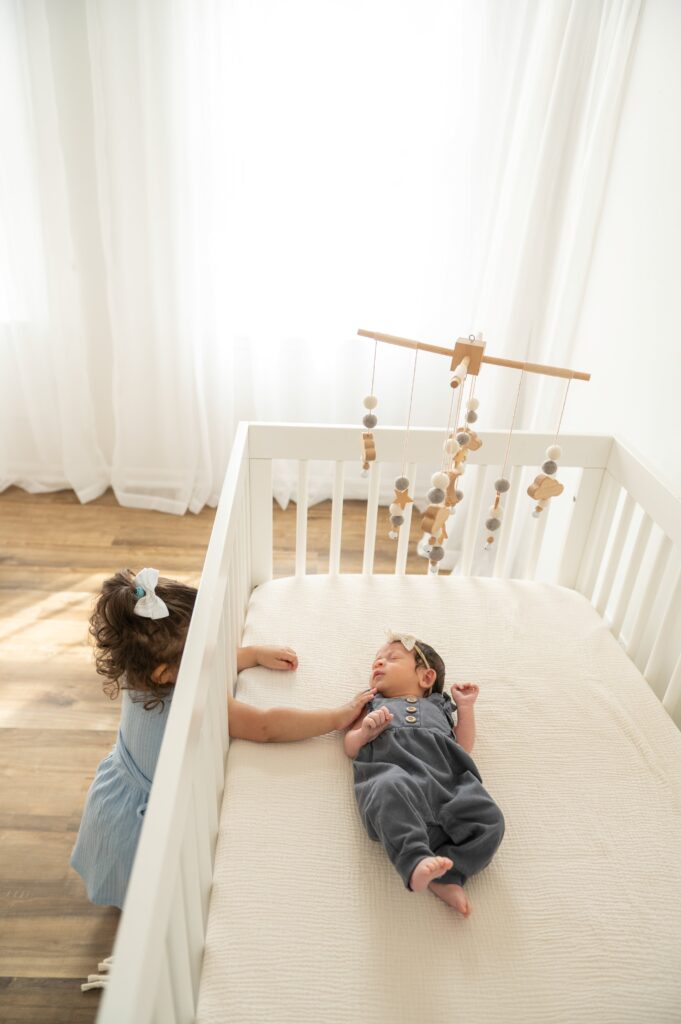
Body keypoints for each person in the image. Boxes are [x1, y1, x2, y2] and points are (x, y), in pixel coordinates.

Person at [70, 568, 375, 910]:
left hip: (117, 790)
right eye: (200, 649)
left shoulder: (143, 673)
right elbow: (265, 726)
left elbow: (199, 662)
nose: (212, 651)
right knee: (148, 908)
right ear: (164, 674)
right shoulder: (185, 706)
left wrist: (252, 654)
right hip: (138, 825)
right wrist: (336, 717)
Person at [343, 631, 504, 917]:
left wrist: (465, 708)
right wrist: (366, 731)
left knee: (490, 820)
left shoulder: (439, 706)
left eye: (391, 659)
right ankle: (415, 861)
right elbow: (350, 746)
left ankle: (448, 872)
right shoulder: (372, 704)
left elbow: (463, 746)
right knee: (385, 789)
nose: (378, 664)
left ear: (426, 678)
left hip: (449, 782)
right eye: (375, 662)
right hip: (395, 775)